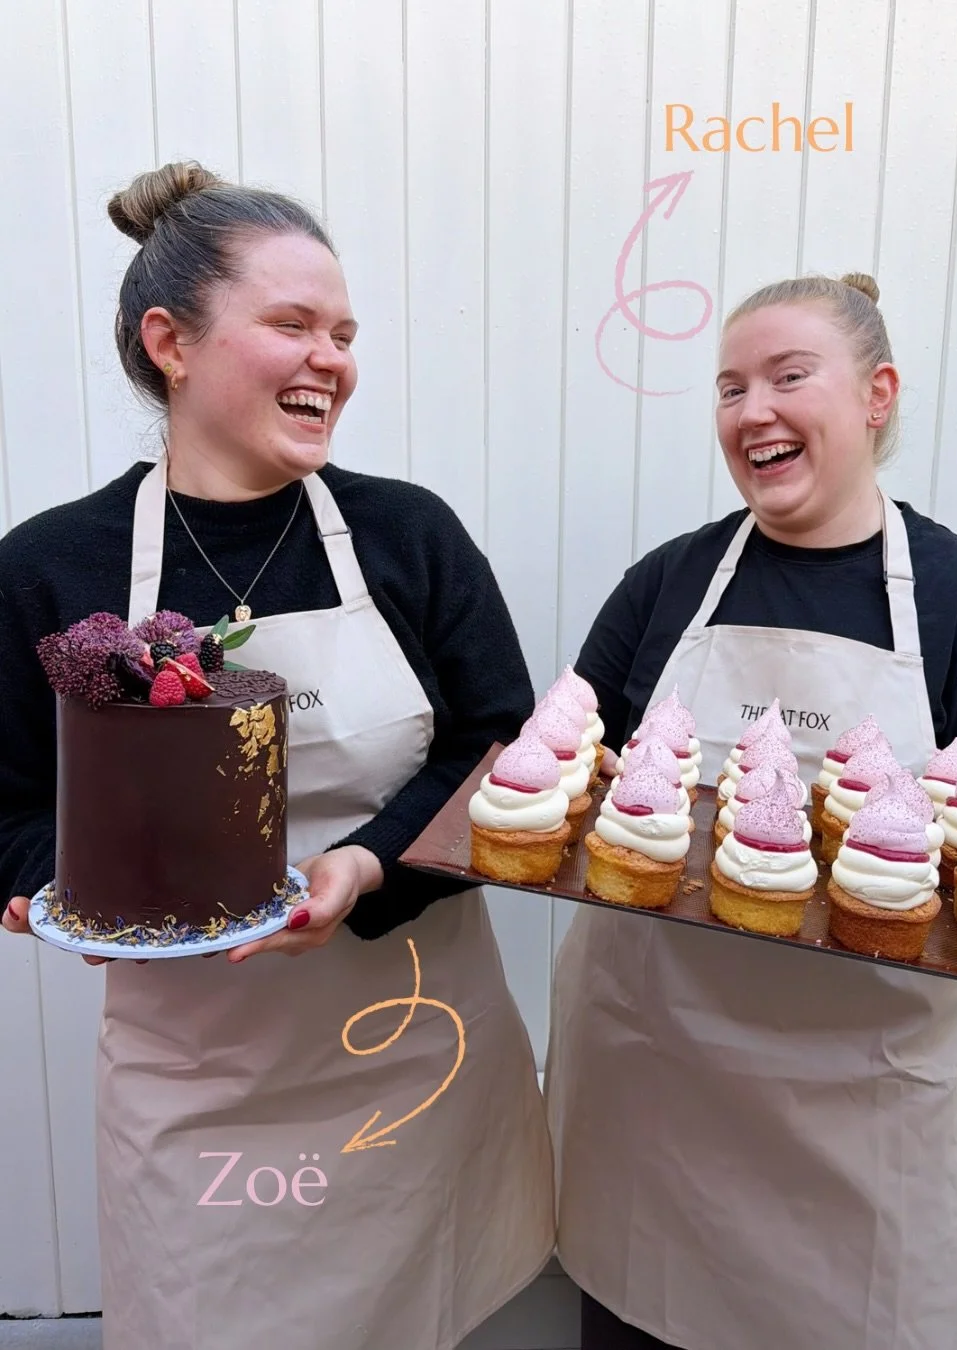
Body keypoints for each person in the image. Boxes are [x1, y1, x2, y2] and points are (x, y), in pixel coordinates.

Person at [0, 161, 554, 1350]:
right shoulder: (54, 567)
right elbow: (5, 803)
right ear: (172, 343)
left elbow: (498, 751)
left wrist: (361, 869)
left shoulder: (410, 534)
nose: (332, 359)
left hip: (417, 1051)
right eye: (292, 324)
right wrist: (71, 891)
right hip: (197, 1080)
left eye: (345, 333)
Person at [545, 271, 957, 1350]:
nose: (753, 412)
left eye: (789, 377)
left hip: (867, 1117)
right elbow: (571, 773)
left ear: (877, 395)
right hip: (660, 1089)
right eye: (730, 388)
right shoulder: (669, 584)